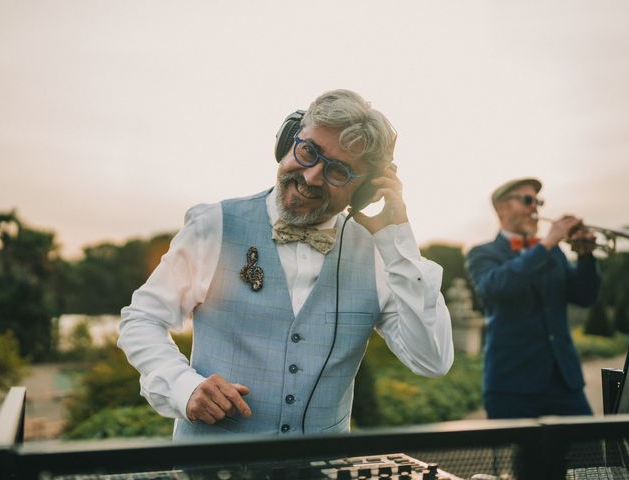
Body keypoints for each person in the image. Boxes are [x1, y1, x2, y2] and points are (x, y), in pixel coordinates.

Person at [118, 89, 453, 438]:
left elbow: (430, 360)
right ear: (287, 142)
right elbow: (142, 318)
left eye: (338, 172)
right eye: (308, 151)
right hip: (210, 469)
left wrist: (398, 242)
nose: (311, 177)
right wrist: (182, 386)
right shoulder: (214, 224)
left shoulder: (381, 257)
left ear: (366, 189)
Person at [466, 177, 600, 419]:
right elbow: (496, 286)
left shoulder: (553, 253)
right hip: (512, 386)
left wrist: (586, 258)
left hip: (564, 382)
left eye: (538, 202)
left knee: (589, 455)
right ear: (501, 208)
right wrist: (547, 243)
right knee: (523, 458)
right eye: (528, 200)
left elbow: (585, 296)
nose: (535, 209)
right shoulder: (482, 253)